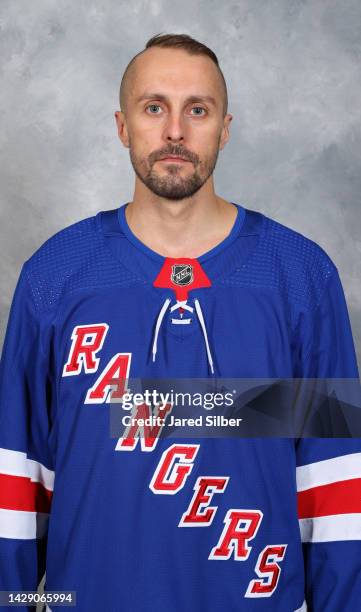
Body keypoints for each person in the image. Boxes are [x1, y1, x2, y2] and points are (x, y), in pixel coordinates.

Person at [0, 32, 360, 612]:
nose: (175, 131)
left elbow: (335, 486)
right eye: (154, 107)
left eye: (197, 109)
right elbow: (16, 483)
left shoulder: (301, 277)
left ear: (225, 127)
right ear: (123, 126)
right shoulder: (55, 276)